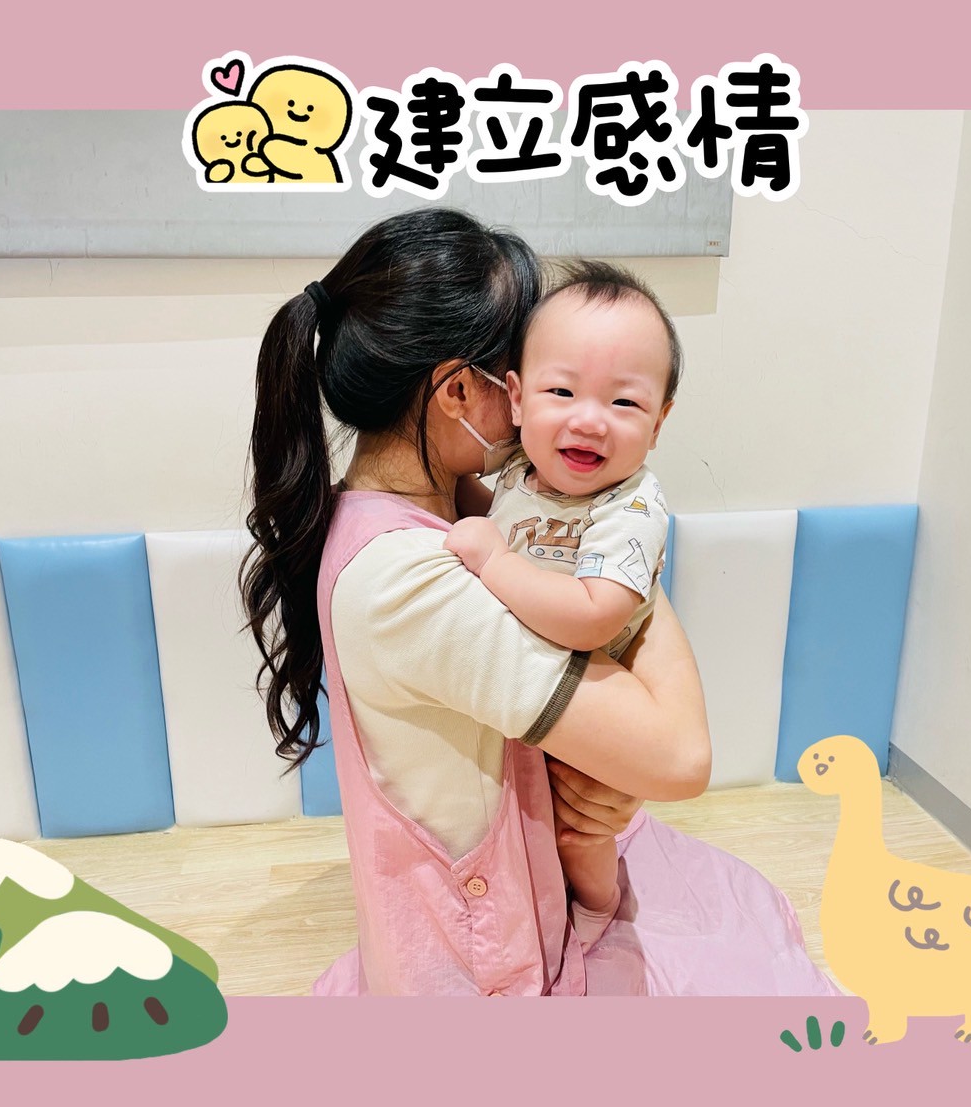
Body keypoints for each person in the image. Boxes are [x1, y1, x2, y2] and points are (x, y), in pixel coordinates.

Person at [241, 206, 838, 996]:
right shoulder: (409, 581)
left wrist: (617, 566)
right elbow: (680, 755)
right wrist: (627, 570)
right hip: (491, 966)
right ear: (462, 389)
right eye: (532, 373)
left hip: (533, 884)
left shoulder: (444, 503)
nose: (565, 417)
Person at [442, 261, 681, 951]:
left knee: (579, 829)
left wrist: (494, 562)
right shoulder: (525, 468)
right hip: (530, 696)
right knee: (522, 826)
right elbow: (510, 520)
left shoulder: (630, 507)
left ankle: (601, 907)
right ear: (516, 398)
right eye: (562, 391)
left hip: (589, 705)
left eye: (624, 403)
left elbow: (593, 613)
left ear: (659, 423)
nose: (588, 420)